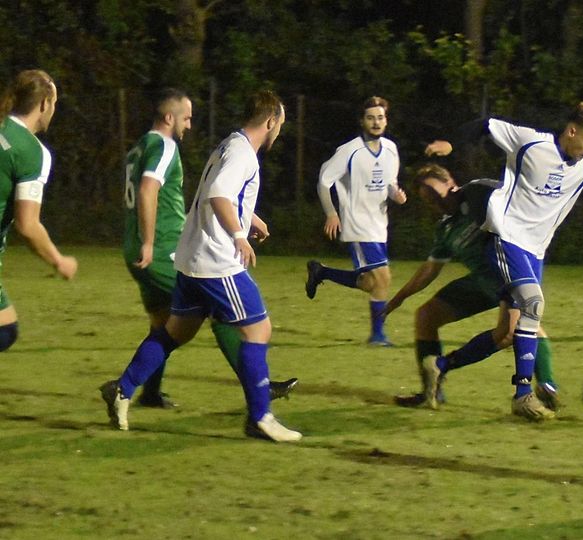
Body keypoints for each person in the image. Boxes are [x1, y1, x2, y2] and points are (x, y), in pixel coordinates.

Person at [425, 102, 583, 421]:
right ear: (572, 131)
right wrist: (451, 143)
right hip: (506, 238)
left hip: (535, 251)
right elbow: (484, 124)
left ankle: (440, 366)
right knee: (534, 305)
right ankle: (523, 393)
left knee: (507, 334)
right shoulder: (530, 142)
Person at [101, 90, 302, 442]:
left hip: (191, 256)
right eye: (280, 125)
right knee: (259, 330)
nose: (279, 132)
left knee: (176, 331)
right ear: (270, 122)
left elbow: (214, 191)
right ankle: (260, 417)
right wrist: (239, 234)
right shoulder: (244, 155)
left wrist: (249, 217)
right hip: (217, 260)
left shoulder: (229, 145)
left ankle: (123, 388)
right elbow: (219, 195)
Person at [384, 163, 557, 410]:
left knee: (518, 330)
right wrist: (398, 298)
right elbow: (430, 270)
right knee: (426, 316)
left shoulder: (479, 195)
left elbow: (516, 199)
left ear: (450, 182)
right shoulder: (446, 228)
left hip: (510, 276)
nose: (434, 202)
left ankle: (548, 388)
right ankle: (430, 393)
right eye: (428, 200)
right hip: (481, 283)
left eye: (435, 193)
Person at [306, 96, 407, 346]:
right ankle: (378, 336)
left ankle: (322, 272)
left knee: (369, 283)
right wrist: (331, 212)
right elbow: (324, 180)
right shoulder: (349, 150)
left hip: (379, 224)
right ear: (362, 121)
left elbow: (390, 183)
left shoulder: (391, 149)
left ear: (386, 121)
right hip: (357, 224)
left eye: (380, 117)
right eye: (371, 117)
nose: (376, 122)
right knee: (384, 278)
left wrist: (397, 195)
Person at [0, 69, 77, 351]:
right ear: (44, 104)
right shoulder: (32, 152)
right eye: (55, 103)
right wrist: (59, 261)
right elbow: (28, 225)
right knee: (5, 331)